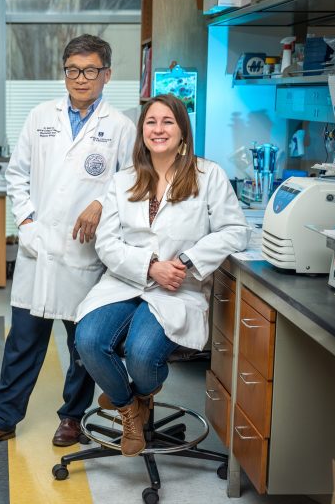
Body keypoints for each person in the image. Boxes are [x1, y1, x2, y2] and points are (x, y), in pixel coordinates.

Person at [0, 34, 137, 450]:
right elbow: (16, 175)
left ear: (107, 74)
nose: (81, 78)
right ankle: (1, 420)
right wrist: (26, 222)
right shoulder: (41, 116)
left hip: (85, 253)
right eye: (73, 70)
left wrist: (100, 203)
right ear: (64, 73)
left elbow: (132, 183)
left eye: (91, 70)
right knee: (22, 341)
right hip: (39, 249)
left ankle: (72, 417)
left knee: (82, 346)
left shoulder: (120, 127)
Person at [74, 94, 251, 457]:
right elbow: (107, 243)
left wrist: (186, 260)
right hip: (125, 282)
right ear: (142, 131)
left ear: (182, 130)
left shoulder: (208, 175)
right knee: (88, 339)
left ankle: (139, 395)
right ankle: (129, 408)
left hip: (176, 287)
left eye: (168, 121)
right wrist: (150, 265)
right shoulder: (123, 180)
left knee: (141, 354)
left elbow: (235, 230)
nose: (158, 129)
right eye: (151, 122)